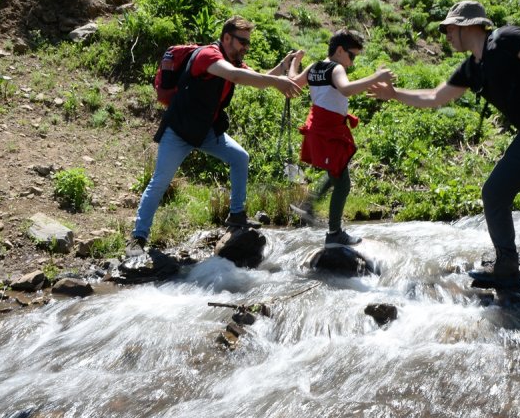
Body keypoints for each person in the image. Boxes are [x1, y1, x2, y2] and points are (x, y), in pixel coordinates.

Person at [369, 0, 520, 328]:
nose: (446, 35)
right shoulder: (472, 68)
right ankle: (508, 269)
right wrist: (394, 94)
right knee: (494, 192)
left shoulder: (507, 39)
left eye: (449, 28)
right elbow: (435, 98)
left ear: (468, 26)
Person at [126, 16, 303, 257]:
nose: (245, 48)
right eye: (242, 42)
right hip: (179, 130)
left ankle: (237, 215)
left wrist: (282, 68)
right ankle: (138, 238)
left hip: (206, 130)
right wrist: (276, 81)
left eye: (248, 43)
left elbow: (257, 80)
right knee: (159, 182)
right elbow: (236, 77)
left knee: (240, 157)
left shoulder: (231, 60)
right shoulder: (209, 56)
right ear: (226, 37)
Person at [287, 29, 395, 247]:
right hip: (330, 131)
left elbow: (294, 83)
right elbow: (345, 89)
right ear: (339, 50)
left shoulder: (314, 66)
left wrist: (295, 62)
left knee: (337, 170)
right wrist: (377, 77)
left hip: (319, 128)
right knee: (343, 184)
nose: (352, 63)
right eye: (352, 56)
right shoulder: (336, 68)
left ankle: (309, 205)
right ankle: (334, 234)